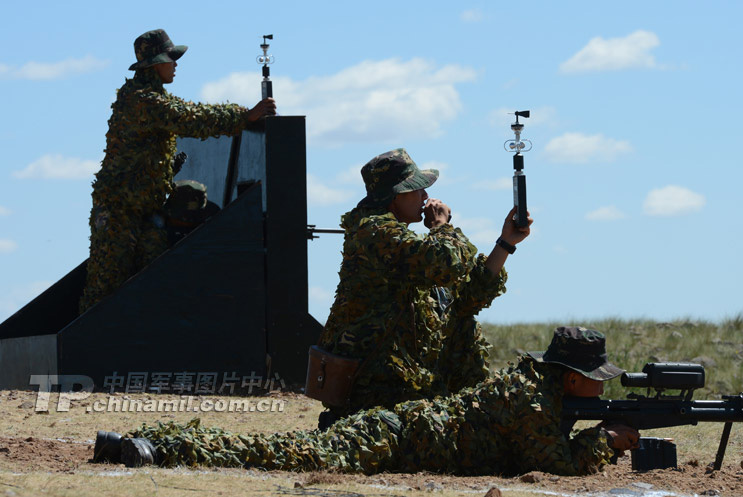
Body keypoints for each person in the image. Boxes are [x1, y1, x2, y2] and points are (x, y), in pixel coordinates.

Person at [98, 327, 641, 475]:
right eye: (595, 377)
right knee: (280, 455)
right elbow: (560, 468)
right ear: (570, 378)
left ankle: (136, 444)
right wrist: (605, 442)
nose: (602, 384)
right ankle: (158, 450)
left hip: (396, 434)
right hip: (392, 442)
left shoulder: (532, 390)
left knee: (277, 449)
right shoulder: (531, 401)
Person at [314, 148, 533, 426]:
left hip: (401, 380)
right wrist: (441, 226)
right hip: (376, 387)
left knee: (464, 326)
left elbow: (464, 299)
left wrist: (505, 244)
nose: (425, 198)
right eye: (417, 190)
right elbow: (445, 262)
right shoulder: (373, 232)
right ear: (395, 196)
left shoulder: (403, 244)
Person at [79, 29, 276, 313]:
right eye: (170, 59)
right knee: (105, 289)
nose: (175, 64)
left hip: (143, 212)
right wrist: (244, 116)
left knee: (150, 276)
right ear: (154, 63)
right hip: (119, 213)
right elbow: (186, 117)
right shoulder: (141, 100)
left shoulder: (148, 97)